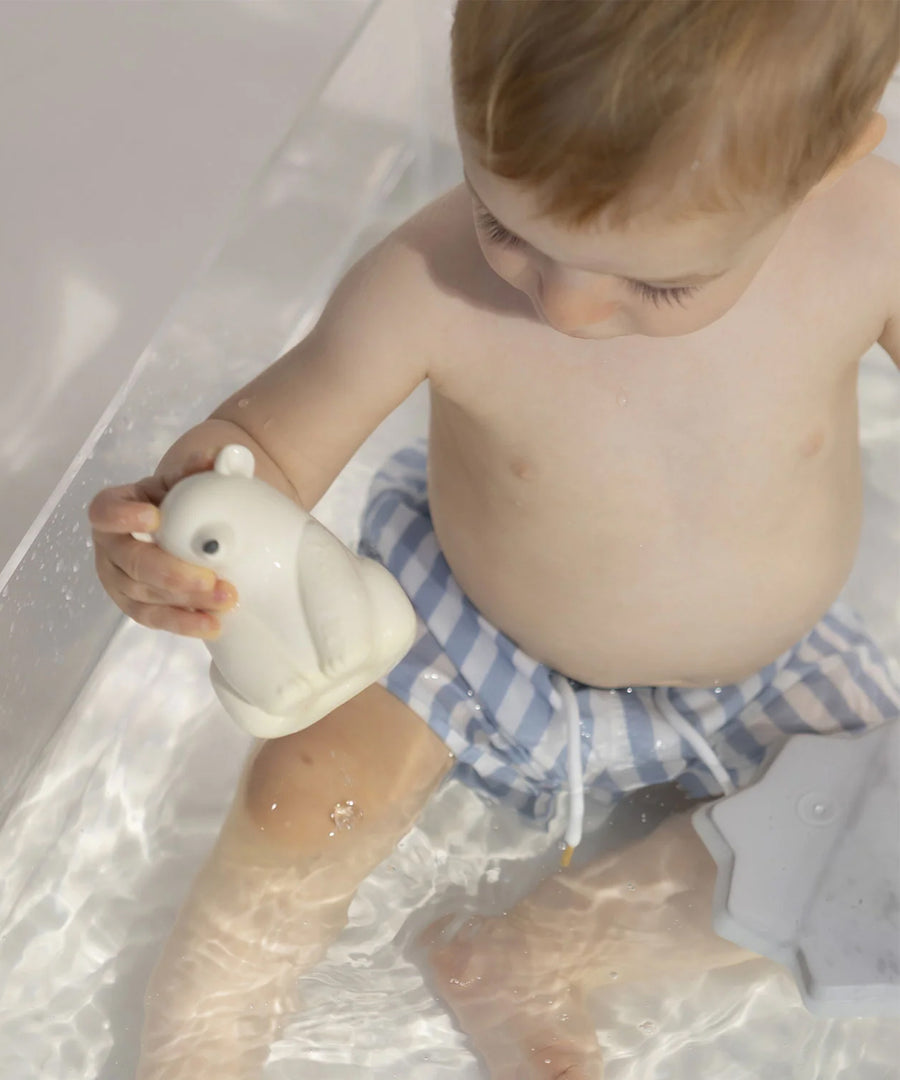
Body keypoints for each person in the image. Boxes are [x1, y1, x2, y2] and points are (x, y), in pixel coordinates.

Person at [89, 2, 900, 1077]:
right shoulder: (425, 280)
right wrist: (179, 536)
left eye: (659, 282)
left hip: (768, 672)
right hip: (465, 636)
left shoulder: (871, 236)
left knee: (869, 869)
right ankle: (200, 1045)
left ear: (833, 157)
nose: (563, 306)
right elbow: (259, 454)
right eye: (503, 222)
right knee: (304, 785)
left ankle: (541, 953)